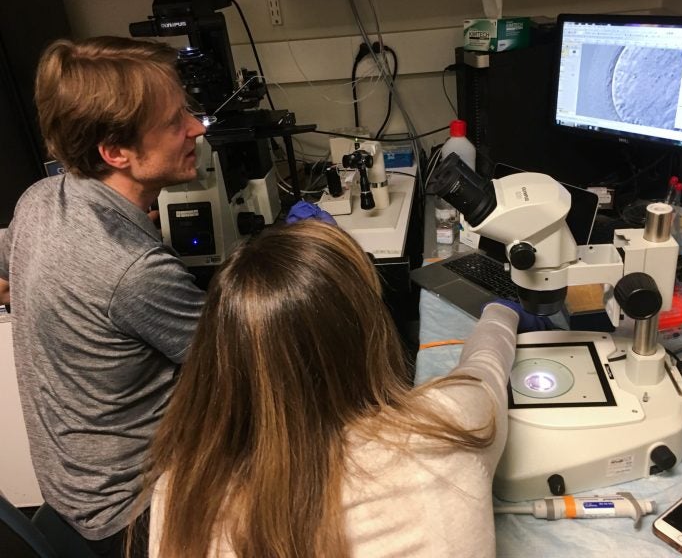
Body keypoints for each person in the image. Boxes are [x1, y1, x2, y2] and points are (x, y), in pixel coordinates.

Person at [146, 220, 524, 558]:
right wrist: (501, 313)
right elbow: (484, 367)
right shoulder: (443, 429)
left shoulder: (181, 490)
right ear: (368, 328)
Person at [0, 36, 207, 556]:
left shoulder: (40, 201)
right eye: (175, 121)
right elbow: (247, 363)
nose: (197, 128)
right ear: (116, 152)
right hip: (135, 514)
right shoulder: (135, 273)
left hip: (70, 493)